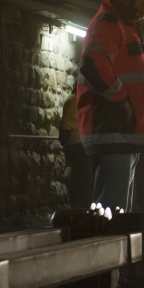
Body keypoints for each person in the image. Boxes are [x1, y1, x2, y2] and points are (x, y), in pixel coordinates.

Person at [77, 0, 144, 212]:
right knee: (111, 215)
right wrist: (122, 100)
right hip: (113, 133)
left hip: (123, 136)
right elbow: (92, 64)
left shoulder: (123, 24)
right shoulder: (109, 23)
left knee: (118, 214)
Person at [59, 74, 89, 208]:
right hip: (77, 145)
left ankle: (80, 205)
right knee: (79, 178)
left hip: (78, 144)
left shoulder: (76, 99)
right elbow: (66, 125)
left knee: (80, 177)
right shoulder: (73, 101)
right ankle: (78, 206)